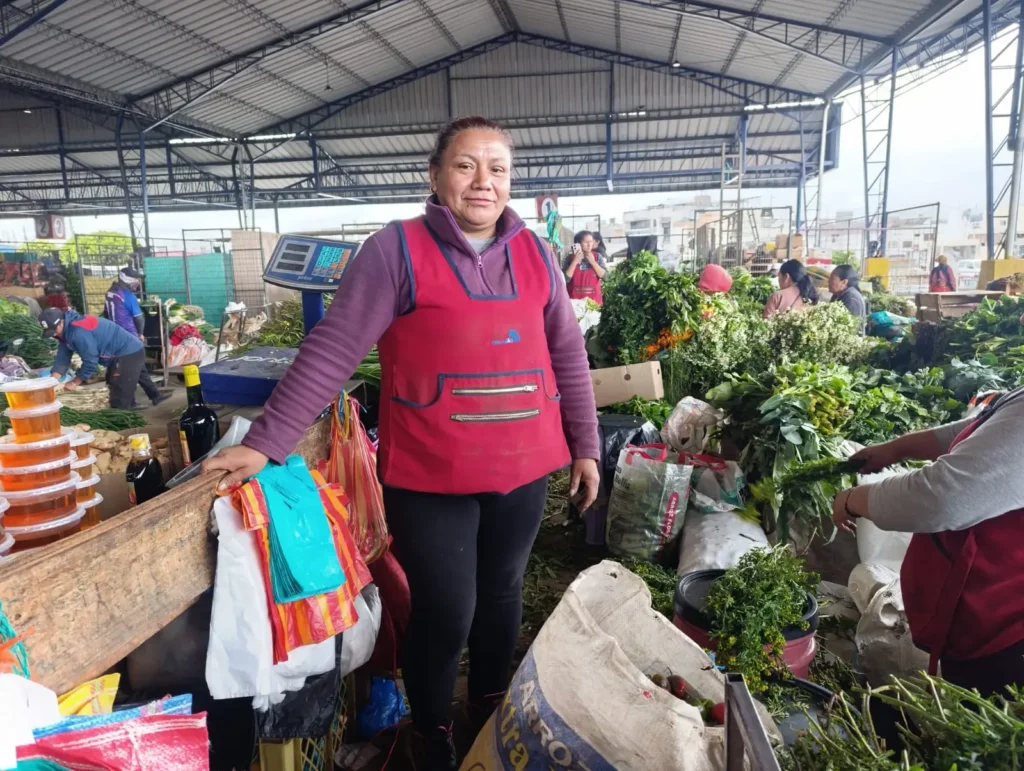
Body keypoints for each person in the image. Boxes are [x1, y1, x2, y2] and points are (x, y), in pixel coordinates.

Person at [204, 117, 600, 769]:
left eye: (498, 168)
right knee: (447, 609)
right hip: (430, 475)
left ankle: (489, 707)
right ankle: (433, 731)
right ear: (436, 175)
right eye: (467, 165)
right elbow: (335, 348)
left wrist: (584, 443)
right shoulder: (396, 251)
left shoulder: (536, 254)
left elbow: (567, 350)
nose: (483, 181)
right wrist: (268, 442)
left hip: (525, 468)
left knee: (503, 594)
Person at [833, 387, 1024, 696]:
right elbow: (985, 430)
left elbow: (942, 497)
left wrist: (852, 499)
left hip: (1005, 630)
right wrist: (897, 449)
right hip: (983, 618)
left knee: (988, 727)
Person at [38, 308, 147, 409]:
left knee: (119, 398)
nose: (54, 334)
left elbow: (90, 362)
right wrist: (51, 382)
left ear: (61, 322)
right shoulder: (65, 332)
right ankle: (137, 403)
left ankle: (129, 417)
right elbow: (62, 358)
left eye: (54, 330)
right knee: (115, 389)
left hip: (129, 352)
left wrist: (74, 383)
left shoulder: (77, 332)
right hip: (119, 353)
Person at [104, 266, 169, 407]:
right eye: (136, 279)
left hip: (114, 334)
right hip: (128, 336)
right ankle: (130, 402)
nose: (137, 282)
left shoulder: (110, 293)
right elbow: (139, 318)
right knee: (129, 368)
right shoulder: (127, 295)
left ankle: (155, 395)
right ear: (127, 279)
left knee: (137, 365)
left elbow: (106, 314)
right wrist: (140, 333)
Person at [563, 230, 607, 303]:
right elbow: (564, 279)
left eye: (591, 242)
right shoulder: (569, 258)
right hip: (574, 303)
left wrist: (593, 262)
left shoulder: (597, 257)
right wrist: (575, 262)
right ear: (578, 243)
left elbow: (606, 277)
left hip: (593, 303)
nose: (589, 245)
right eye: (586, 242)